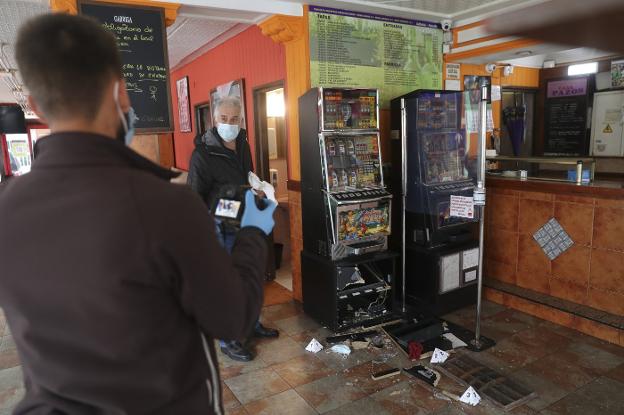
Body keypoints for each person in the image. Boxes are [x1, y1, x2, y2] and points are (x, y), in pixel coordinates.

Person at [0, 13, 276, 415]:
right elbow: (231, 319)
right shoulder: (164, 206)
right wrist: (253, 230)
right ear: (122, 94)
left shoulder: (6, 208)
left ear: (34, 104)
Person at [188, 96, 279, 362]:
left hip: (248, 220)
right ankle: (230, 340)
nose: (229, 124)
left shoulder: (243, 145)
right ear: (214, 120)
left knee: (252, 276)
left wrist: (255, 189)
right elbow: (195, 196)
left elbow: (247, 176)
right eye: (224, 119)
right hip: (221, 228)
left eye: (234, 119)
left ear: (241, 120)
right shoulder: (202, 154)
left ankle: (252, 324)